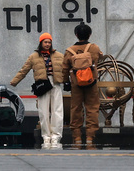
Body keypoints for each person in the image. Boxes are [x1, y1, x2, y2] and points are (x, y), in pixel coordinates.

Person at [10, 32, 65, 149]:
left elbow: (65, 69)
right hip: (42, 85)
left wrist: (68, 81)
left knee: (57, 111)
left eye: (49, 42)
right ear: (41, 43)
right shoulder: (34, 56)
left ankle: (56, 136)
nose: (47, 44)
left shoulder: (59, 55)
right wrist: (14, 81)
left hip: (55, 83)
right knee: (43, 112)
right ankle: (46, 136)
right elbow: (23, 70)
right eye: (45, 42)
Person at [63, 22, 103, 150]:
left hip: (76, 84)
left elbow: (64, 68)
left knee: (75, 109)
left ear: (76, 34)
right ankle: (90, 139)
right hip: (91, 83)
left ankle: (77, 139)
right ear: (89, 34)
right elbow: (99, 59)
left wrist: (66, 82)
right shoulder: (94, 48)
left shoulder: (69, 51)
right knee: (92, 109)